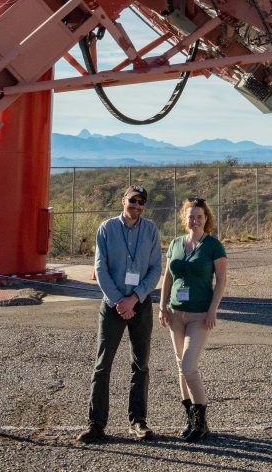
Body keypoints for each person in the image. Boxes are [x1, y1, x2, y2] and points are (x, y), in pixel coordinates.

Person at [79, 184, 161, 444]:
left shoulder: (151, 230)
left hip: (140, 303)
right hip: (112, 306)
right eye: (132, 200)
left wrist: (134, 298)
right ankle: (96, 423)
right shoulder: (106, 229)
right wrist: (119, 301)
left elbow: (155, 268)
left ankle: (138, 421)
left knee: (141, 365)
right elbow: (100, 268)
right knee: (103, 365)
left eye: (141, 202)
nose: (137, 205)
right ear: (123, 200)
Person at [159, 197, 227, 442]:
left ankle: (202, 420)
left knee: (189, 366)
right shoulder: (176, 244)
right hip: (175, 313)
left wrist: (212, 310)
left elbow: (221, 280)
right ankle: (190, 420)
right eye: (191, 216)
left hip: (200, 315)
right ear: (184, 219)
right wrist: (162, 306)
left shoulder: (213, 246)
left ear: (206, 219)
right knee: (180, 367)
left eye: (199, 216)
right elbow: (167, 277)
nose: (195, 220)